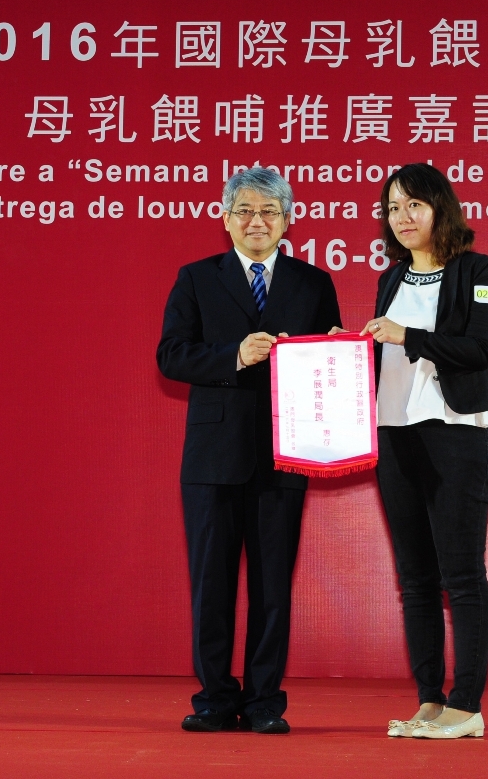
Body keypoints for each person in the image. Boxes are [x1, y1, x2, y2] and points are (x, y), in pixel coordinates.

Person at [157, 167, 342, 735]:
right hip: (213, 456)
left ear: (287, 220)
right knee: (211, 584)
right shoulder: (196, 278)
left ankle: (264, 701)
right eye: (244, 211)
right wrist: (235, 355)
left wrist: (340, 352)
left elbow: (333, 360)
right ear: (225, 218)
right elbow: (171, 355)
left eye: (268, 211)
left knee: (272, 587)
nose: (256, 221)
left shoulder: (313, 283)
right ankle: (214, 698)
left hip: (286, 452)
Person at [361, 163, 488, 739]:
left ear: (440, 207)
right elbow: (384, 358)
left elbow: (480, 348)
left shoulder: (478, 269)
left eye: (414, 205)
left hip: (457, 429)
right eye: (393, 208)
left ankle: (466, 707)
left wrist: (408, 336)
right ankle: (429, 700)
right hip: (394, 432)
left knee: (461, 573)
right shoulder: (391, 279)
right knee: (415, 578)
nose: (402, 217)